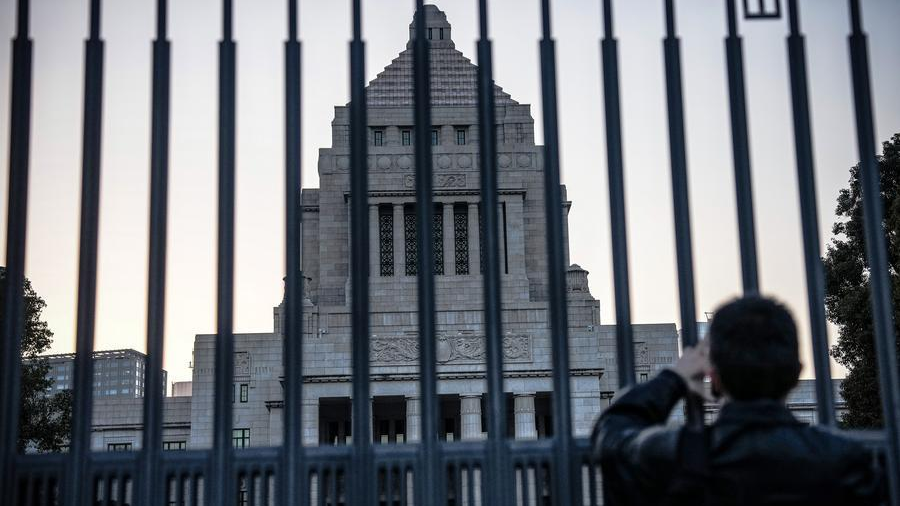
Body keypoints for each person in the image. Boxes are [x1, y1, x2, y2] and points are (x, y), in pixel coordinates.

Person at [591, 296, 884, 505]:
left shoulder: (676, 455)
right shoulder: (847, 460)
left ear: (713, 376)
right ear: (796, 374)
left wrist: (676, 377)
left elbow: (610, 435)